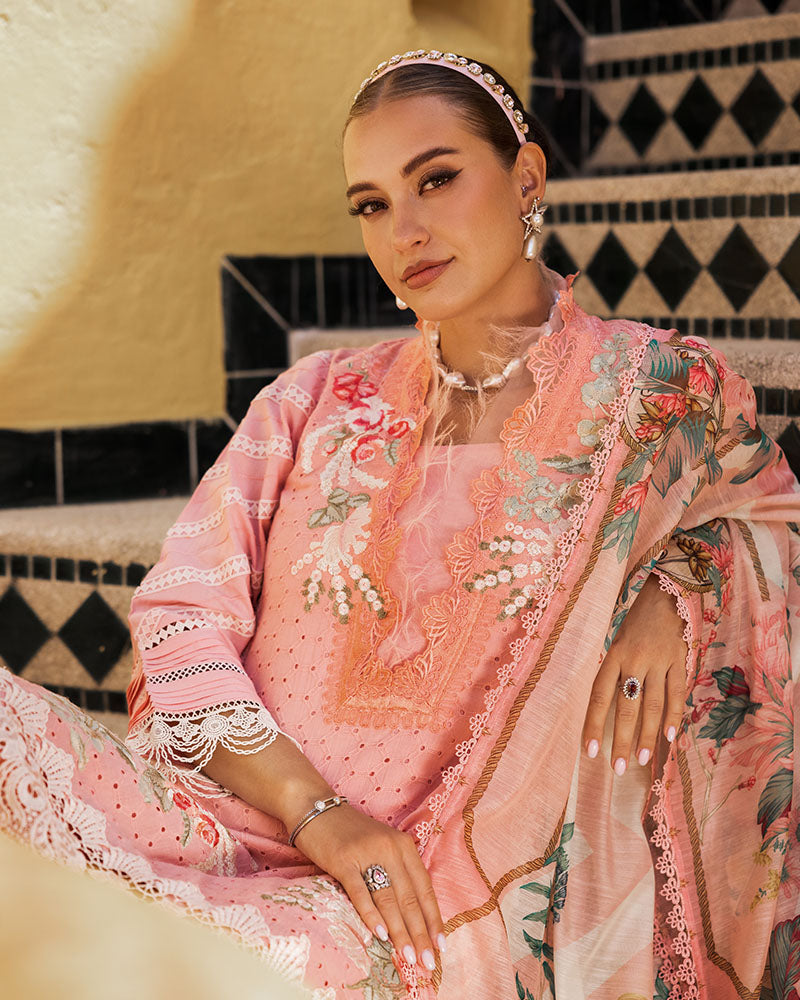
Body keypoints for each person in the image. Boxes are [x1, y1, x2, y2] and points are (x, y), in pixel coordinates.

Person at [1, 48, 798, 1000]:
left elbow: (769, 516)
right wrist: (320, 816)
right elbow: (180, 619)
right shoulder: (314, 398)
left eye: (437, 179)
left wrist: (681, 585)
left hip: (422, 898)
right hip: (223, 813)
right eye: (372, 204)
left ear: (527, 178)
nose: (404, 231)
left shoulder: (660, 395)